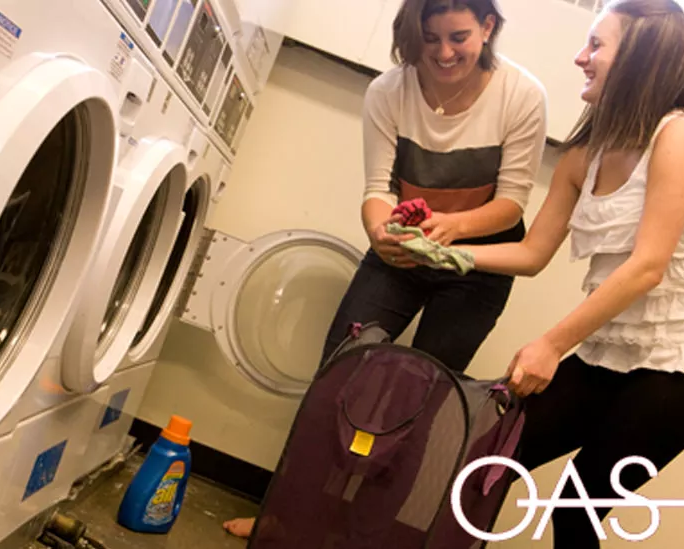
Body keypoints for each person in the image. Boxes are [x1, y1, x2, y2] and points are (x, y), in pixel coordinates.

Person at [223, 0, 548, 538]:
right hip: (400, 254)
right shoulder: (388, 91)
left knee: (425, 405)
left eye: (459, 37)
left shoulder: (521, 94)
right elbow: (378, 191)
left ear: (488, 27)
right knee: (338, 377)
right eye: (430, 39)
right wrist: (381, 233)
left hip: (479, 265)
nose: (444, 53)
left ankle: (360, 533)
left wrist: (450, 230)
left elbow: (512, 203)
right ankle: (284, 512)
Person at [451, 0, 684, 545]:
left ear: (639, 58)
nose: (580, 57)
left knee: (575, 507)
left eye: (596, 46)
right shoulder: (585, 156)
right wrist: (446, 250)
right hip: (612, 352)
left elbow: (647, 267)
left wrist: (550, 345)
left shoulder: (682, 140)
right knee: (487, 458)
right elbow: (534, 252)